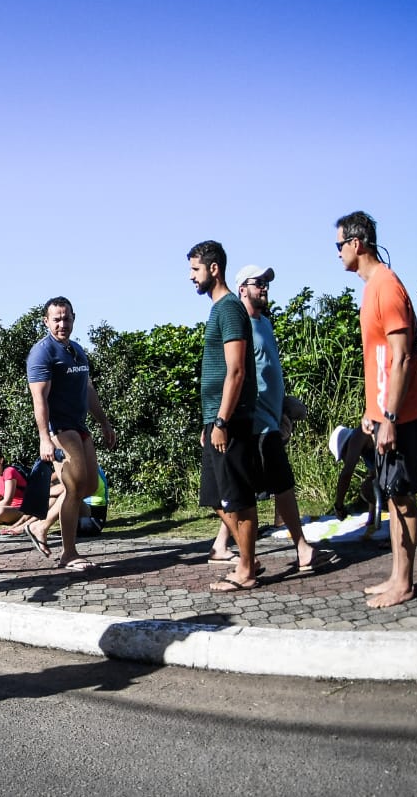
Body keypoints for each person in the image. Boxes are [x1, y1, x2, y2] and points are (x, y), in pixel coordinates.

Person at [208, 265, 333, 572]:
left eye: (266, 283)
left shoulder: (264, 323)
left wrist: (284, 404)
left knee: (251, 489)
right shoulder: (241, 325)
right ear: (242, 289)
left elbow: (269, 371)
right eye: (258, 283)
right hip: (255, 421)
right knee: (279, 484)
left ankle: (222, 545)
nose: (264, 287)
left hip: (270, 418)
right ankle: (300, 548)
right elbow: (235, 372)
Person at [336, 210, 417, 608]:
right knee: (390, 494)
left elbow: (403, 357)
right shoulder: (371, 287)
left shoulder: (386, 286)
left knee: (402, 496)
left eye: (338, 245)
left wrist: (389, 417)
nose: (337, 253)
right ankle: (395, 577)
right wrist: (371, 412)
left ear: (357, 243)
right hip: (383, 415)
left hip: (401, 416)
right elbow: (378, 359)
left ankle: (404, 584)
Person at [189, 242, 262, 592]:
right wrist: (209, 421)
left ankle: (246, 569)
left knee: (238, 496)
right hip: (215, 418)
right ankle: (248, 557)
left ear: (213, 269)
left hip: (230, 420)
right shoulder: (219, 309)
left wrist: (221, 422)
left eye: (196, 270)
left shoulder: (230, 308)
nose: (192, 277)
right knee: (216, 496)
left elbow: (236, 371)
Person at [25, 297, 116, 570]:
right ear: (46, 321)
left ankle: (41, 527)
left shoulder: (76, 350)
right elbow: (38, 399)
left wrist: (103, 421)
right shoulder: (43, 352)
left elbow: (87, 390)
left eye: (66, 318)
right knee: (75, 488)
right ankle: (69, 553)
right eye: (56, 319)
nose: (62, 323)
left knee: (88, 486)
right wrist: (44, 437)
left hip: (80, 425)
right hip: (59, 429)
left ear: (73, 318)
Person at [329, 424, 417, 539]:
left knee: (397, 489)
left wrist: (338, 505)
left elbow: (346, 474)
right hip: (411, 460)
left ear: (346, 445)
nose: (345, 459)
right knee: (368, 488)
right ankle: (408, 525)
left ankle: (407, 530)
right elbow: (374, 484)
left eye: (343, 456)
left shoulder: (359, 435)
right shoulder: (367, 452)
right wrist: (371, 519)